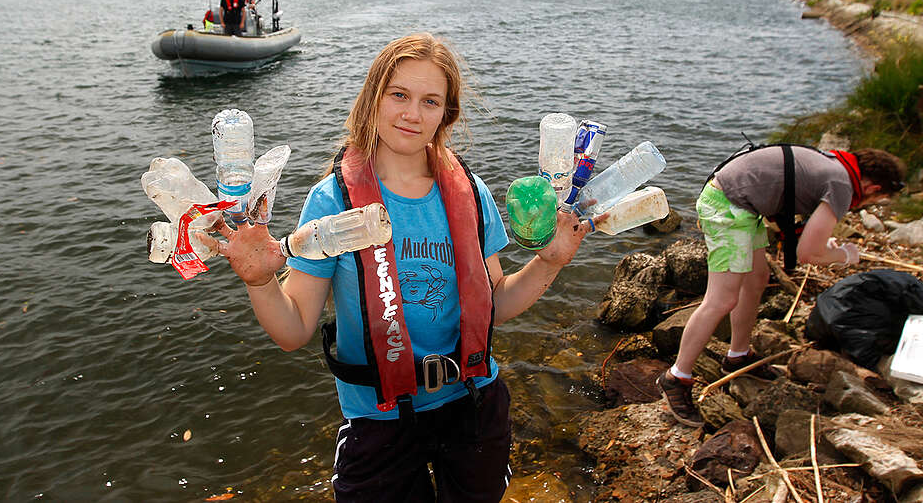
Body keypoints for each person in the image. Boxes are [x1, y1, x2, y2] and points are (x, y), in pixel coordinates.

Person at [199, 33, 604, 502]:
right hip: (378, 417)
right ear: (373, 99)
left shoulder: (470, 193)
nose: (413, 114)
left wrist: (549, 260)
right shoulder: (331, 201)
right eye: (399, 95)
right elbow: (293, 330)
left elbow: (497, 303)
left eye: (430, 101)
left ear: (445, 114)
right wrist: (260, 280)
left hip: (473, 403)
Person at [657, 145, 906, 427]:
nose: (864, 206)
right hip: (727, 205)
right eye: (875, 200)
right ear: (872, 187)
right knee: (721, 300)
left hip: (742, 202)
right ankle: (676, 377)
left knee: (756, 280)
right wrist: (845, 255)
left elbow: (811, 234)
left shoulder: (839, 165)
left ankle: (737, 356)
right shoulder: (842, 185)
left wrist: (827, 245)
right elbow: (808, 254)